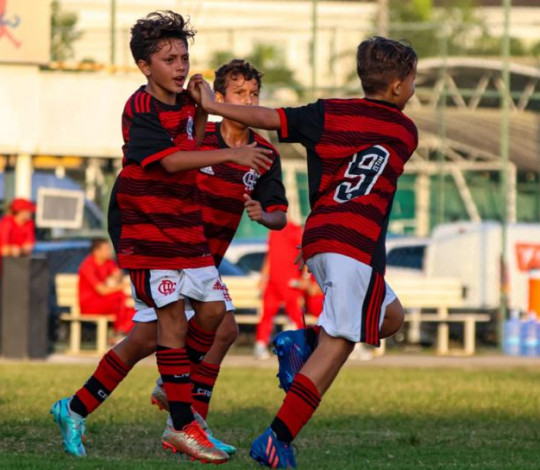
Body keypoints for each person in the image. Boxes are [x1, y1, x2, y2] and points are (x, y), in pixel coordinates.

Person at [50, 11, 272, 464]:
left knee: (210, 316)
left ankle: (80, 407)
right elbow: (172, 162)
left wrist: (207, 95)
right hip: (143, 225)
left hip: (182, 222)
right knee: (169, 325)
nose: (179, 65)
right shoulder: (139, 109)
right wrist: (235, 152)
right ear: (144, 66)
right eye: (168, 58)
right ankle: (181, 420)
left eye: (184, 57)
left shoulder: (189, 101)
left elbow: (205, 104)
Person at [198, 36, 418, 468]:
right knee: (339, 346)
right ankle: (276, 439)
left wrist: (214, 104)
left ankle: (301, 345)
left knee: (390, 318)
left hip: (322, 239)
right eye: (412, 80)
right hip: (350, 243)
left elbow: (267, 117)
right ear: (396, 87)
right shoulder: (404, 130)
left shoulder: (328, 113)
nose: (413, 88)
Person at [150, 58, 288, 445]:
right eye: (239, 93)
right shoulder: (199, 137)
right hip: (174, 252)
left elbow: (280, 216)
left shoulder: (264, 153)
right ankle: (183, 414)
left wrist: (265, 215)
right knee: (217, 330)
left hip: (207, 260)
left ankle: (183, 417)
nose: (248, 101)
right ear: (220, 97)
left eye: (254, 94)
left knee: (221, 332)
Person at [254, 220, 304, 360]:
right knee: (267, 312)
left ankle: (299, 346)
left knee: (295, 313)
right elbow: (270, 255)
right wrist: (264, 276)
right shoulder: (273, 229)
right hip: (273, 280)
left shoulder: (294, 229)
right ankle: (260, 344)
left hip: (289, 280)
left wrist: (303, 278)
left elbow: (304, 252)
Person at [78, 238, 133, 335]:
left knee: (133, 310)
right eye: (106, 249)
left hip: (106, 301)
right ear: (96, 251)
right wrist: (123, 285)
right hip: (90, 305)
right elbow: (102, 291)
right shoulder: (88, 265)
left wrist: (117, 276)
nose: (110, 251)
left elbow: (117, 273)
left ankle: (123, 333)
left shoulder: (108, 262)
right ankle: (119, 332)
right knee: (121, 297)